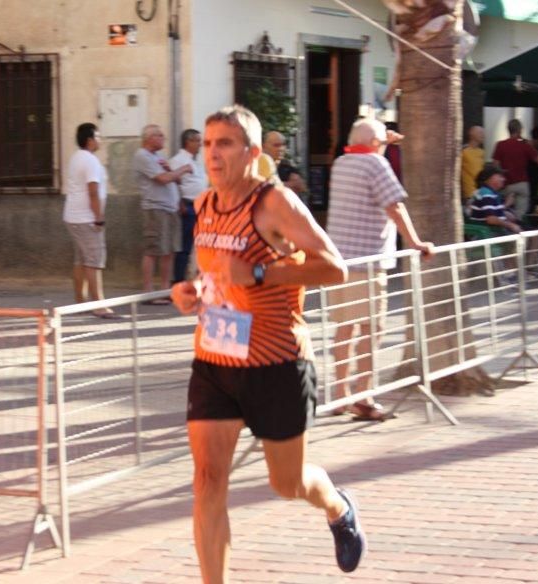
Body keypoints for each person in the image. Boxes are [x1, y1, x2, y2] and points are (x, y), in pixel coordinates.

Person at [170, 105, 366, 582]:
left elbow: (335, 267)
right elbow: (214, 272)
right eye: (210, 143)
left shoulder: (274, 203)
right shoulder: (202, 205)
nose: (213, 154)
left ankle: (338, 507)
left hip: (276, 363)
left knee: (288, 482)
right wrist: (191, 291)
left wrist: (259, 272)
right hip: (215, 358)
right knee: (207, 482)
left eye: (226, 144)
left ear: (252, 152)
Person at [326, 118, 435, 421]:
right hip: (368, 261)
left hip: (340, 262)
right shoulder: (376, 165)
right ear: (376, 145)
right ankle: (365, 396)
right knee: (371, 330)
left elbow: (368, 158)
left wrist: (380, 143)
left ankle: (339, 395)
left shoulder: (342, 163)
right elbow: (394, 206)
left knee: (344, 328)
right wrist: (415, 242)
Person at [63, 123, 119, 318]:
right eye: (98, 136)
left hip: (74, 217)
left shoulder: (76, 158)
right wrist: (99, 218)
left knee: (81, 260)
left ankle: (80, 302)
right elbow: (93, 191)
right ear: (89, 140)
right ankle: (99, 304)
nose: (100, 140)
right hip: (86, 219)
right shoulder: (90, 161)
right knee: (94, 261)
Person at [133, 124, 192, 300]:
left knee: (169, 250)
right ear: (148, 138)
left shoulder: (159, 156)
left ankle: (165, 290)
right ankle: (149, 292)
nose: (163, 138)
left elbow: (175, 180)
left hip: (170, 208)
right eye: (159, 135)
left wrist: (171, 171)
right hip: (155, 208)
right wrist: (183, 168)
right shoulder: (142, 156)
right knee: (153, 250)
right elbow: (163, 179)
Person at [170, 128, 207, 284]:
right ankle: (178, 280)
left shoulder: (195, 161)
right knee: (184, 246)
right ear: (188, 142)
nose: (201, 144)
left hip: (201, 207)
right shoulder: (178, 160)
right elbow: (173, 184)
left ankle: (194, 277)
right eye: (197, 141)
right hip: (188, 207)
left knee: (199, 245)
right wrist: (180, 202)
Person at [492, 119, 538, 220]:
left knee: (504, 211)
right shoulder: (525, 145)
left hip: (507, 183)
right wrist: (531, 146)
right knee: (520, 215)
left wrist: (504, 172)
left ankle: (506, 230)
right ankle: (517, 229)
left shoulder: (500, 145)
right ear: (520, 130)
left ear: (508, 130)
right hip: (522, 184)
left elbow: (495, 165)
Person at [461, 125, 485, 204]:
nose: (483, 135)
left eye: (483, 133)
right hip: (470, 193)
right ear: (471, 133)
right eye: (480, 132)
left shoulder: (482, 152)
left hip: (481, 192)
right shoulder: (463, 151)